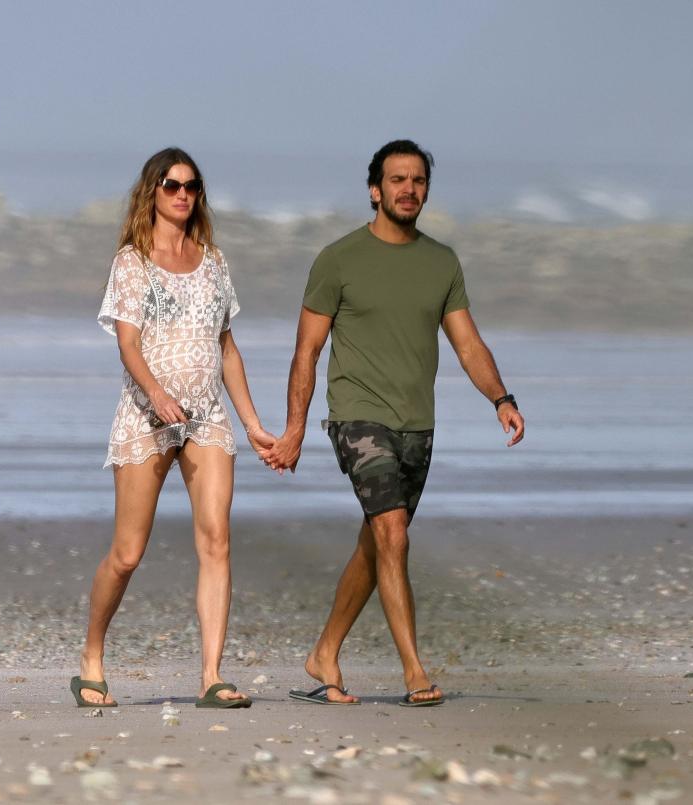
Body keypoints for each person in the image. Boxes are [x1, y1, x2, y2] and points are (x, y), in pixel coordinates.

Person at [262, 139, 525, 707]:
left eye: (418, 180)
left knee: (379, 539)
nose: (409, 189)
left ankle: (324, 652)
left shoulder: (442, 262)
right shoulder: (338, 259)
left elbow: (467, 342)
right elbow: (305, 352)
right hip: (357, 415)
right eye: (397, 180)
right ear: (375, 190)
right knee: (394, 533)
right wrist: (295, 431)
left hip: (416, 424)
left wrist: (500, 397)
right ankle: (414, 672)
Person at [71, 147, 274, 710]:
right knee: (129, 553)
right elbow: (128, 344)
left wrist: (254, 424)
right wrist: (157, 395)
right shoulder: (132, 261)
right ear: (151, 192)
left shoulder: (213, 262)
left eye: (191, 185)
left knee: (216, 540)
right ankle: (92, 654)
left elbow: (227, 350)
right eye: (171, 184)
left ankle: (211, 674)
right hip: (146, 414)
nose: (183, 193)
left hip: (208, 415)